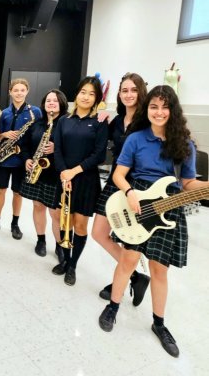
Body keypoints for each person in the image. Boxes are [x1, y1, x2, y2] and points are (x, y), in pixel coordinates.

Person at [98, 85, 207, 358]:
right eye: (154, 107)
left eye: (164, 107)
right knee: (128, 261)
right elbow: (119, 174)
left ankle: (159, 323)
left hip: (169, 208)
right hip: (136, 203)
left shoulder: (185, 145)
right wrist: (130, 192)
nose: (159, 112)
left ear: (173, 110)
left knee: (160, 270)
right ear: (147, 110)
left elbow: (188, 183)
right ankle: (113, 306)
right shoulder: (136, 139)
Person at [93, 73, 150, 303]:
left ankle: (124, 277)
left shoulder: (147, 121)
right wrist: (100, 120)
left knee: (129, 240)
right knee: (98, 233)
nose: (128, 95)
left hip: (136, 186)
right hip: (114, 181)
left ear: (141, 93)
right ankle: (135, 276)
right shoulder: (116, 121)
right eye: (124, 90)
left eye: (133, 90)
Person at [51, 76, 108, 286]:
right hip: (64, 178)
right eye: (83, 92)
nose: (86, 97)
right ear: (77, 94)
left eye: (91, 94)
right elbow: (57, 149)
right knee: (64, 220)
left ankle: (73, 265)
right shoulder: (64, 120)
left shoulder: (100, 123)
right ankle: (64, 259)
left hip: (85, 180)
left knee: (80, 225)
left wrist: (73, 172)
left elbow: (99, 155)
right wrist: (64, 172)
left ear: (97, 99)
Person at [0, 78, 41, 240]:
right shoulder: (4, 113)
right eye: (15, 90)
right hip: (4, 157)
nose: (19, 93)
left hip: (22, 159)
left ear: (27, 92)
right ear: (10, 92)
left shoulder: (35, 112)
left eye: (22, 90)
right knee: (0, 190)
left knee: (18, 192)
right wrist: (3, 134)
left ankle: (15, 223)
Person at [19, 90, 67, 259]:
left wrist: (57, 148)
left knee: (55, 213)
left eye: (55, 100)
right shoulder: (37, 123)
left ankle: (59, 245)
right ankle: (41, 240)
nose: (51, 103)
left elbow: (74, 147)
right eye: (48, 100)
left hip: (56, 173)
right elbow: (24, 145)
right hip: (37, 172)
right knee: (38, 206)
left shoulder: (66, 122)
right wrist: (26, 159)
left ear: (61, 103)